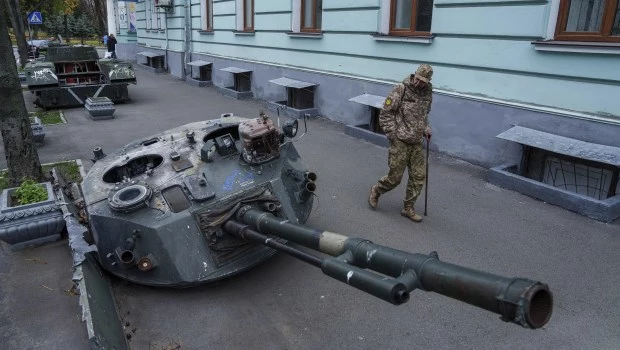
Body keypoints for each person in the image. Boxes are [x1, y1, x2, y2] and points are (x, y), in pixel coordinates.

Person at [368, 64, 434, 223]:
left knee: (419, 176)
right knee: (395, 178)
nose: (419, 83)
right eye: (418, 79)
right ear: (414, 75)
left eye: (423, 81)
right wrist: (393, 135)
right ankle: (377, 189)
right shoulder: (401, 89)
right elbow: (385, 114)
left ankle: (408, 207)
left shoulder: (427, 93)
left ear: (428, 81)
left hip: (416, 141)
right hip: (400, 141)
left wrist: (426, 128)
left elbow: (423, 115)